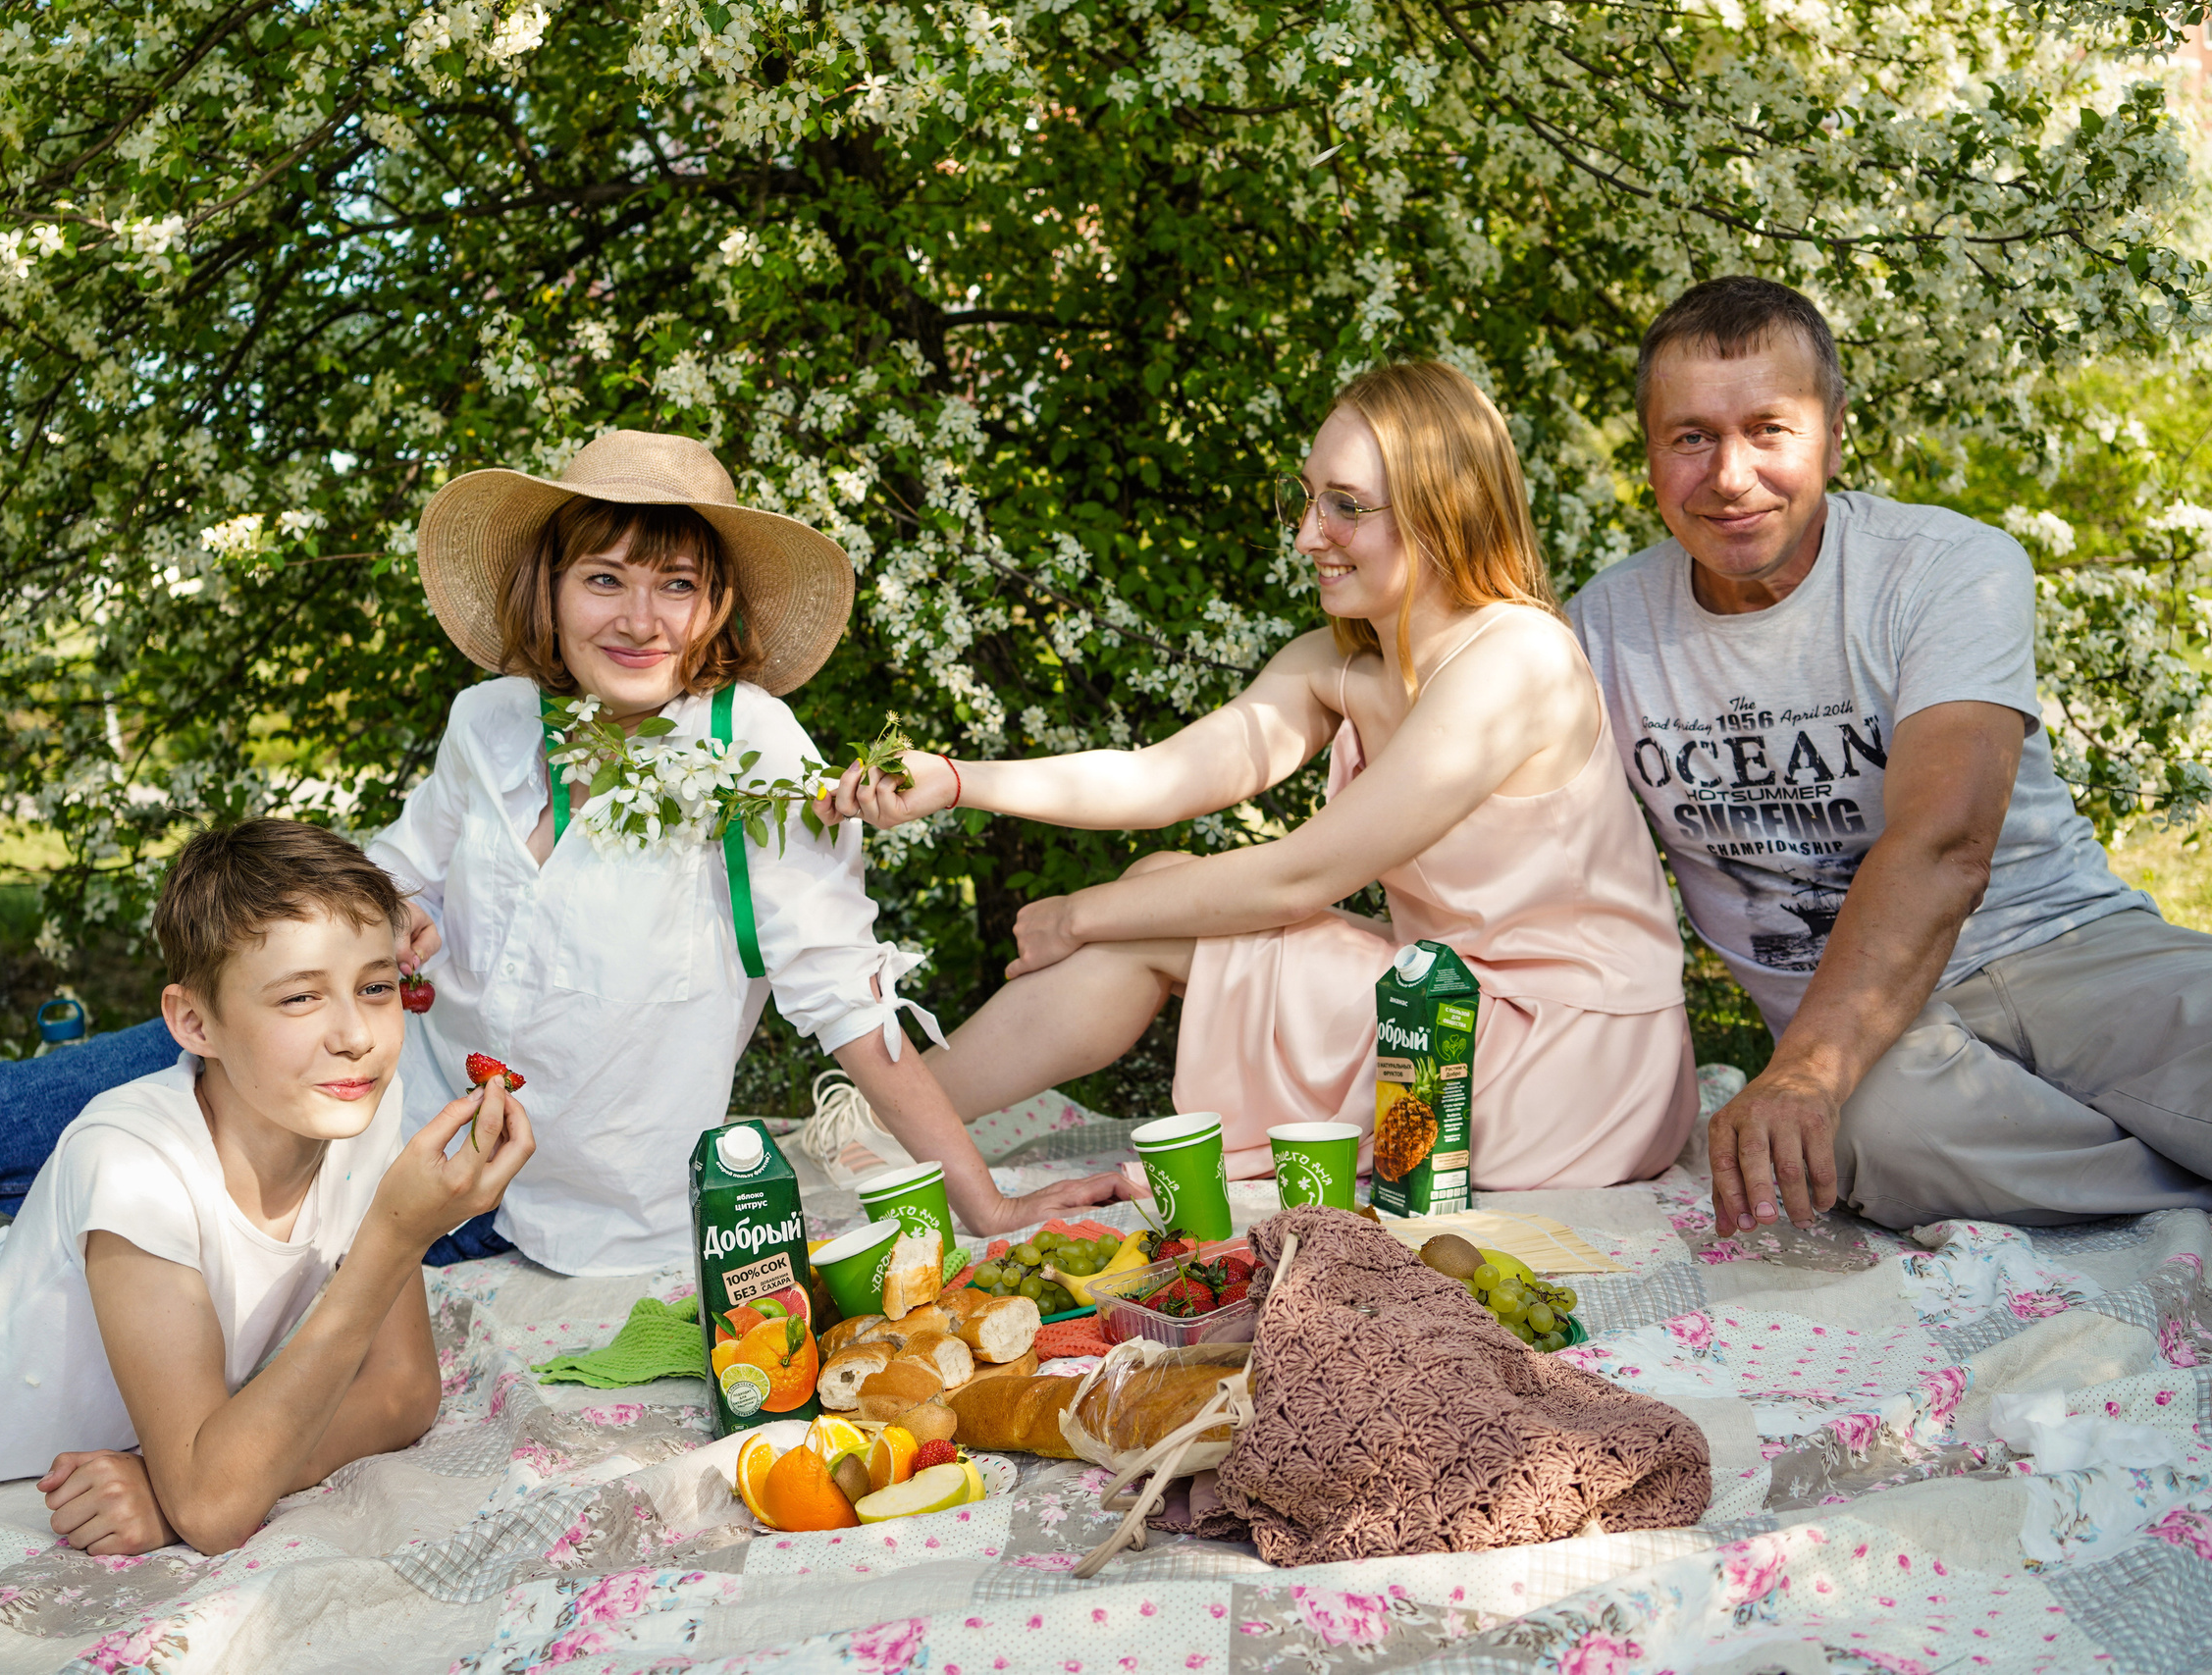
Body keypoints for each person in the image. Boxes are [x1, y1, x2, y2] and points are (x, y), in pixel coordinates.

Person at [0, 430, 1117, 1270]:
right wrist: (398, 916)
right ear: (550, 588)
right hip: (371, 1087)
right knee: (6, 1114)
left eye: (677, 582)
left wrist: (986, 1201)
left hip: (520, 1193)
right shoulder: (493, 721)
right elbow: (403, 872)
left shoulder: (750, 747)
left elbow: (850, 1012)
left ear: (714, 612)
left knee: (92, 1226)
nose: (638, 615)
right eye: (605, 575)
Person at [822, 362, 1699, 1191]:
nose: (1308, 533)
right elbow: (1156, 777)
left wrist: (1076, 915)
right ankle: (879, 1123)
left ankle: (878, 1125)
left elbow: (1300, 875)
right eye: (1306, 496)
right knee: (1160, 887)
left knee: (1153, 912)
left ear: (1443, 510)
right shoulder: (1344, 663)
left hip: (1577, 1063)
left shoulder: (1517, 657)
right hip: (1443, 1012)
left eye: (1345, 506)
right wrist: (954, 778)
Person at [1568, 274, 2212, 1237]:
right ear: (1651, 452)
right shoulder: (1599, 631)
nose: (1730, 475)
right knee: (1872, 1135)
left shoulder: (1946, 567)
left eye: (1769, 430)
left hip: (2064, 951)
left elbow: (1945, 840)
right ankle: (2175, 1198)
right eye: (1691, 437)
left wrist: (1802, 1072)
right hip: (1875, 1042)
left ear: (1834, 431)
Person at [0, 818, 536, 1555]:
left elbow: (402, 1391)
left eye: (376, 986)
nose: (356, 1035)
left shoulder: (361, 1108)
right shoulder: (132, 1163)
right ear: (192, 1023)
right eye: (299, 997)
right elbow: (213, 1502)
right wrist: (394, 1238)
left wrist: (167, 1479)